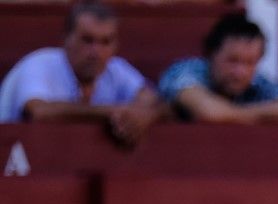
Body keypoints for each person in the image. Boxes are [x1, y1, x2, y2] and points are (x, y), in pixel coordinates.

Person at [0, 2, 160, 146]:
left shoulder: (116, 69)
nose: (96, 52)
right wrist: (113, 112)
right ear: (65, 40)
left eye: (106, 42)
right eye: (87, 40)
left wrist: (143, 115)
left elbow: (151, 99)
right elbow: (39, 112)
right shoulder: (40, 63)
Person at [156, 13, 278, 124]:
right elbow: (210, 112)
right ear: (211, 55)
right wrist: (267, 114)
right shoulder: (184, 71)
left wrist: (237, 113)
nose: (240, 72)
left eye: (250, 63)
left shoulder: (257, 82)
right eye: (232, 61)